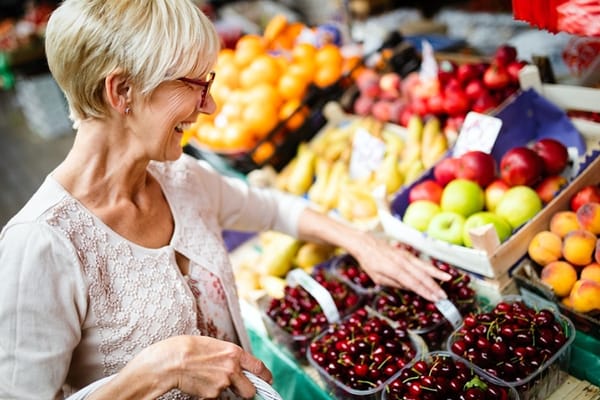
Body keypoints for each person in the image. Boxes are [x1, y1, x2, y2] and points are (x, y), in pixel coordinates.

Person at [0, 1, 450, 399]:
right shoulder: (40, 246)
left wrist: (361, 243)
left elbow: (275, 208)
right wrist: (158, 372)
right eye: (195, 84)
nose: (211, 106)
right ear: (121, 92)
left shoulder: (182, 178)